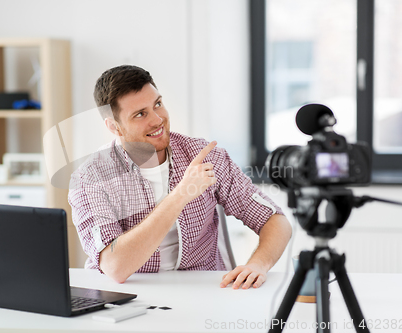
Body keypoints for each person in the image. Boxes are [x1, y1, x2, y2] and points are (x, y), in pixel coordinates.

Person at [68, 65, 292, 289]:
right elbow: (115, 267)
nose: (157, 119)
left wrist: (258, 265)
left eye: (157, 104)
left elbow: (276, 221)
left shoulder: (203, 155)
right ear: (114, 127)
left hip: (203, 291)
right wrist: (181, 195)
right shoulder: (90, 178)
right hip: (127, 292)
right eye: (140, 114)